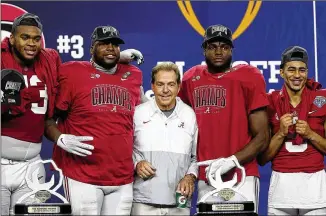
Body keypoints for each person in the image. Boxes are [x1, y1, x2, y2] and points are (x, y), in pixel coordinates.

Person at [44, 25, 144, 215]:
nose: (110, 48)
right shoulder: (71, 72)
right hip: (82, 173)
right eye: (103, 44)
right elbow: (48, 118)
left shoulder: (133, 74)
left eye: (114, 45)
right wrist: (60, 138)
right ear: (91, 49)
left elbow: (145, 111)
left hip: (122, 175)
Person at [178, 24, 270, 213]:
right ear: (204, 50)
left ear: (231, 49)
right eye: (212, 47)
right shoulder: (190, 79)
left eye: (224, 47)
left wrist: (232, 161)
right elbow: (172, 115)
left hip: (242, 173)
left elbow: (262, 136)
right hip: (206, 172)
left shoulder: (249, 76)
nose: (218, 51)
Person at [1, 13, 61, 216]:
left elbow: (76, 73)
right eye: (24, 37)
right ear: (11, 39)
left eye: (36, 39)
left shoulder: (49, 61)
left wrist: (117, 59)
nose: (31, 43)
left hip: (32, 164)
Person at [258, 46, 326, 215]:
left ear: (307, 72)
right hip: (282, 189)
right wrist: (281, 133)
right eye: (291, 70)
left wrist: (311, 134)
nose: (297, 75)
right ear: (281, 72)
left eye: (302, 70)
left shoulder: (322, 100)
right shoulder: (269, 102)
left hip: (315, 188)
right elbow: (262, 158)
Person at [131, 62, 198, 215]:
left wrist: (190, 176)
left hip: (179, 200)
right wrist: (137, 163)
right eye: (160, 84)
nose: (165, 90)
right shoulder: (138, 114)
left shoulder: (189, 115)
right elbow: (125, 149)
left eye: (171, 84)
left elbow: (196, 157)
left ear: (179, 87)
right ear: (152, 86)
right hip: (142, 201)